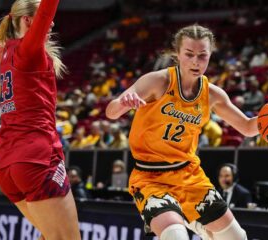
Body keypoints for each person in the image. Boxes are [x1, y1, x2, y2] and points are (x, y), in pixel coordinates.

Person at [106, 25, 256, 240]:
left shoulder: (212, 94)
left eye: (202, 55)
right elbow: (111, 111)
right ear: (177, 54)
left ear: (210, 55)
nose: (196, 61)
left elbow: (248, 127)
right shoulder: (157, 81)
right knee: (176, 236)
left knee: (237, 238)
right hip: (150, 177)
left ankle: (194, 221)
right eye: (189, 54)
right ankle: (189, 220)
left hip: (189, 175)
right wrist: (123, 104)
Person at [0, 1, 81, 239]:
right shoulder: (30, 49)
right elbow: (48, 9)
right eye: (44, 19)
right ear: (28, 20)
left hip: (6, 165)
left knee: (49, 236)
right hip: (36, 158)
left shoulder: (6, 51)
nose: (51, 23)